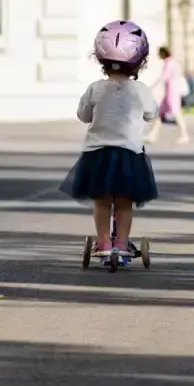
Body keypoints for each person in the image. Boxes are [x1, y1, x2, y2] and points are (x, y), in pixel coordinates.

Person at [64, 20, 160, 264]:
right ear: (140, 61)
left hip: (98, 155)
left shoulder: (94, 89)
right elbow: (152, 113)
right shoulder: (140, 90)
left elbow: (83, 115)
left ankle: (104, 242)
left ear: (100, 59)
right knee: (125, 201)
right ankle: (122, 243)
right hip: (129, 155)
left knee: (103, 200)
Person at [145, 45, 191, 145]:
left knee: (176, 113)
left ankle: (184, 135)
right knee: (159, 114)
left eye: (159, 53)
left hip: (172, 92)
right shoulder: (172, 62)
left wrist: (153, 86)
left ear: (163, 53)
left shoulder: (169, 63)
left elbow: (164, 78)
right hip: (170, 92)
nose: (158, 55)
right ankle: (152, 135)